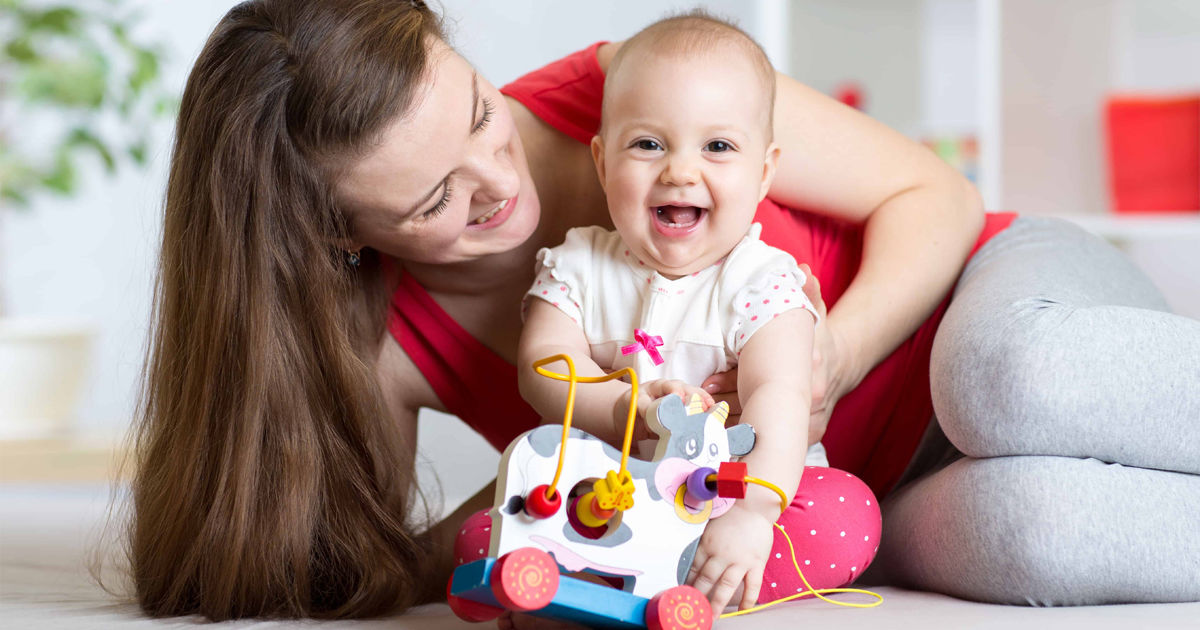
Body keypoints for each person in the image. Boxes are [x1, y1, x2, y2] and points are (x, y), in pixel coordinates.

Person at [128, 0, 1199, 622]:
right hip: (853, 490)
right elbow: (351, 562)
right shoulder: (387, 346)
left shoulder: (632, 89)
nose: (494, 182)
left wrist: (831, 357)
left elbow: (939, 197)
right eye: (434, 198)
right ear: (337, 237)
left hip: (994, 296)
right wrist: (515, 518)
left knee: (1002, 384)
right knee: (1039, 540)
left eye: (477, 115)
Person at [507, 16, 875, 613]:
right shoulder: (577, 266)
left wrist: (755, 510)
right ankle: (618, 579)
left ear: (763, 173)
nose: (679, 170)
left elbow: (780, 396)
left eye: (718, 147)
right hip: (616, 500)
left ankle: (659, 582)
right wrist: (628, 406)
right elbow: (543, 368)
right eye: (648, 144)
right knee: (499, 525)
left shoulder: (763, 281)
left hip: (737, 501)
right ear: (602, 164)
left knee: (843, 516)